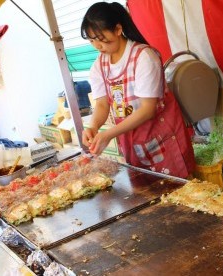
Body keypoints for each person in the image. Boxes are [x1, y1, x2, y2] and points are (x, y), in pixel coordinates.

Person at [80, 2, 195, 178]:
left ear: (118, 29)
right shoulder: (99, 66)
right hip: (133, 143)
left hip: (162, 139)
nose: (97, 46)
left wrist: (109, 134)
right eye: (91, 40)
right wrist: (93, 126)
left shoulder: (144, 57)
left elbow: (148, 109)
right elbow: (102, 105)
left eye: (101, 39)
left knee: (179, 195)